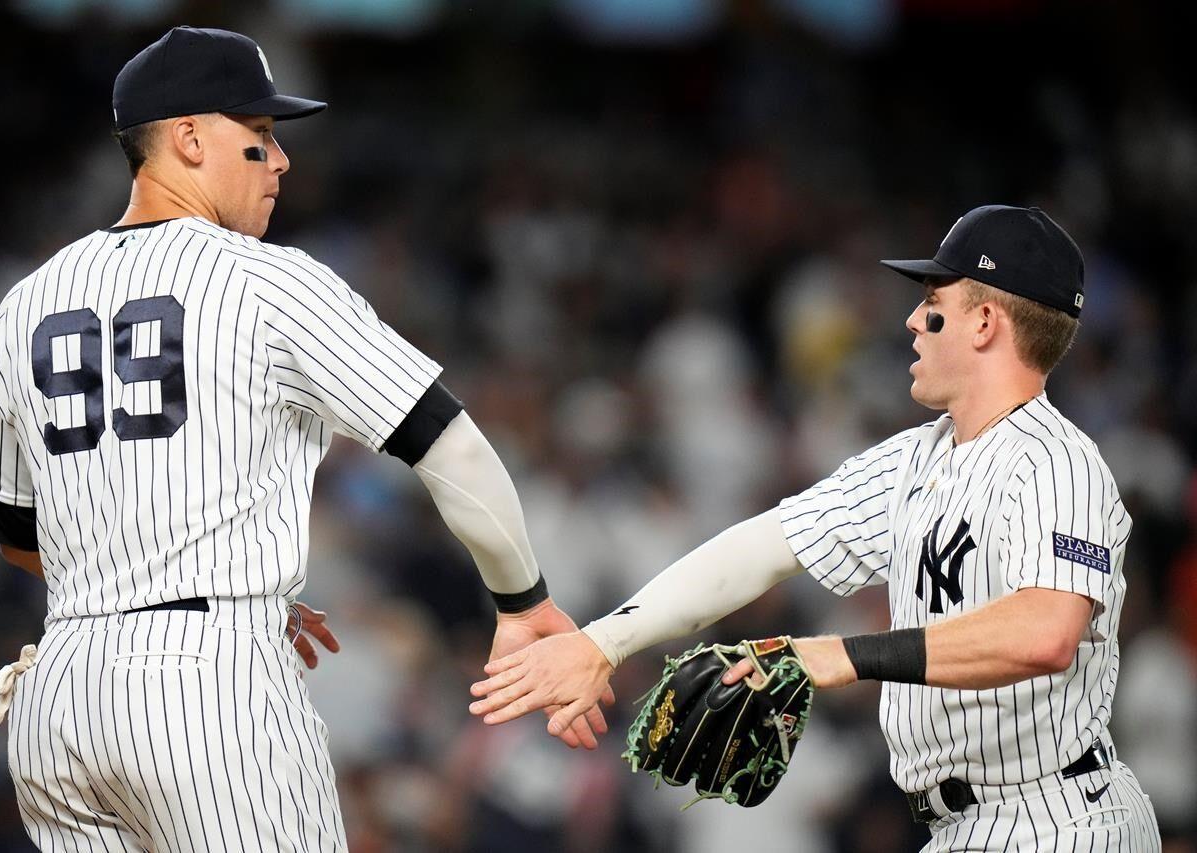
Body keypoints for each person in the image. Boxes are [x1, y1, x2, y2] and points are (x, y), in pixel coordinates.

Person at [0, 26, 610, 852]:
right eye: (258, 138)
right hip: (207, 691)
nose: (282, 161)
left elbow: (17, 535)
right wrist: (524, 602)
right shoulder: (265, 279)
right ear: (188, 138)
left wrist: (180, 577)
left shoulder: (26, 301)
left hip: (58, 696)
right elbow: (453, 448)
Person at [469, 205, 1162, 850]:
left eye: (934, 304)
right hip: (970, 825)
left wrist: (836, 654)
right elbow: (763, 547)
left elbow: (1044, 634)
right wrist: (602, 642)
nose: (913, 322)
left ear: (985, 322)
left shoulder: (1057, 461)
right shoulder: (914, 458)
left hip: (1059, 816)